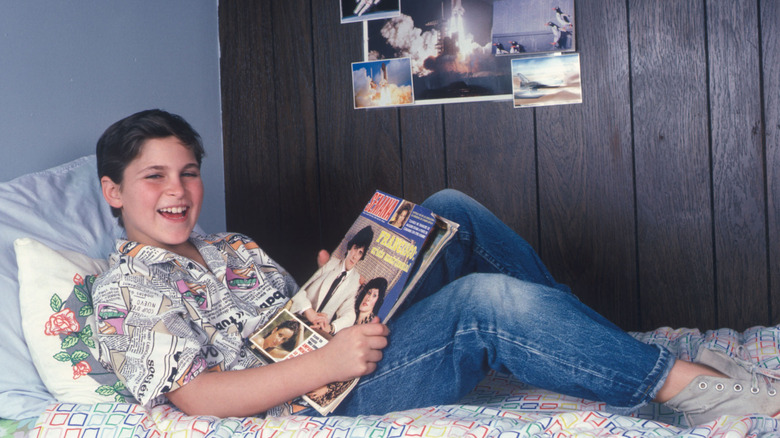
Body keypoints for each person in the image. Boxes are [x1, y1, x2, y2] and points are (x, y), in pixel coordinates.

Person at [92, 109, 780, 425]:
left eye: (186, 172)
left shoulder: (231, 247)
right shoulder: (127, 285)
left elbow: (286, 320)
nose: (177, 191)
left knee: (448, 209)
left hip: (335, 346)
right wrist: (326, 365)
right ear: (113, 191)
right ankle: (683, 386)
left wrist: (338, 283)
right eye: (153, 178)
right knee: (485, 301)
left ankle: (609, 354)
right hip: (315, 394)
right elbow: (195, 396)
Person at [288, 226, 373, 335]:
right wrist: (308, 310)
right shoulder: (329, 263)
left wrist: (331, 327)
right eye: (355, 248)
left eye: (360, 252)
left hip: (319, 328)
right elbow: (296, 286)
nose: (355, 256)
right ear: (349, 248)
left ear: (362, 257)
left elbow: (349, 313)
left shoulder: (355, 280)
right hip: (299, 313)